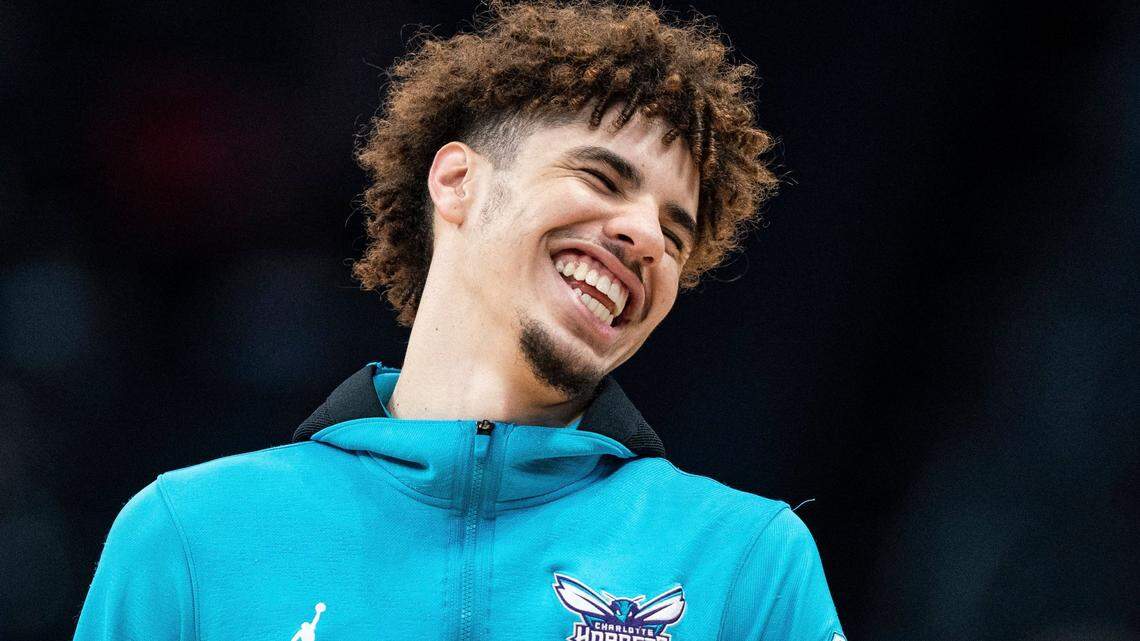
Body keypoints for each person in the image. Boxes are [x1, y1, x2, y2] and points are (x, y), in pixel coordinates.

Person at [74, 1, 845, 639]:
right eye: (601, 176)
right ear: (457, 181)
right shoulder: (188, 539)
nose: (646, 238)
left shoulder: (747, 563)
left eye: (674, 235)